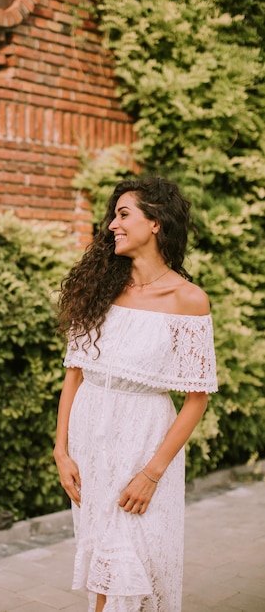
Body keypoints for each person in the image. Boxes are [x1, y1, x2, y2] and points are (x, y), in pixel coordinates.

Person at [54, 177, 218, 612]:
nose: (112, 225)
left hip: (144, 442)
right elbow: (74, 375)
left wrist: (151, 473)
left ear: (157, 223)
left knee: (132, 562)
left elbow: (196, 399)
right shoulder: (99, 290)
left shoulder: (188, 300)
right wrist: (61, 451)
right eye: (113, 215)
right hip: (91, 443)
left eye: (124, 214)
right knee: (106, 563)